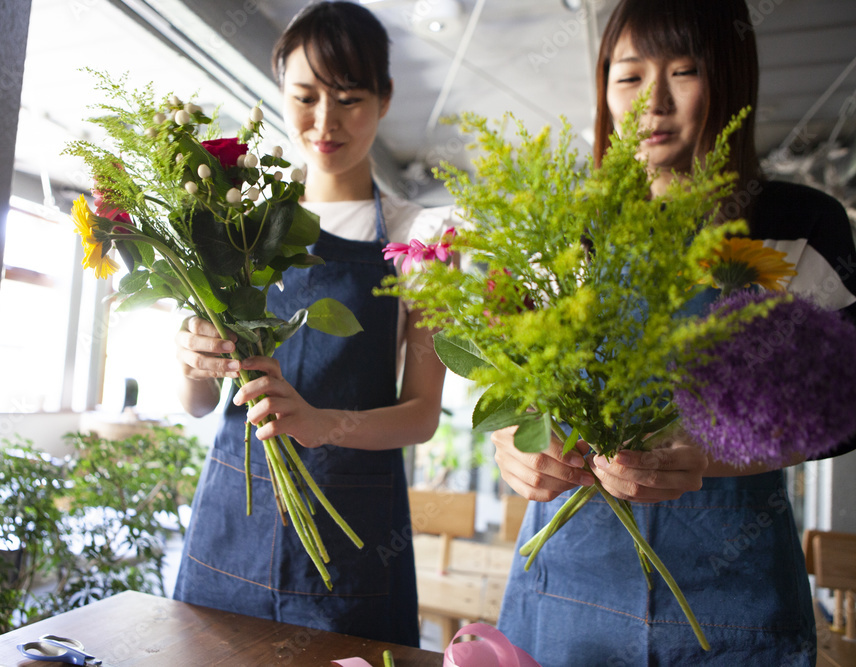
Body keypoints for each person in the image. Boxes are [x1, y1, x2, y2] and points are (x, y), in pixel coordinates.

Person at [492, 0, 856, 664]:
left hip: (732, 607)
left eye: (682, 71)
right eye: (629, 77)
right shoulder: (562, 228)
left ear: (732, 80)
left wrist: (718, 451)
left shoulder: (799, 226)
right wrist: (511, 443)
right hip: (566, 592)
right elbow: (511, 382)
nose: (651, 103)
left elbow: (849, 406)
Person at [170, 1, 449, 647]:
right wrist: (188, 360)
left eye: (350, 98)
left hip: (350, 541)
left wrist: (324, 425)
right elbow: (198, 403)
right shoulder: (236, 223)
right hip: (230, 525)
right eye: (305, 96)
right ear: (280, 94)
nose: (325, 121)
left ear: (384, 98)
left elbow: (422, 413)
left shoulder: (419, 236)